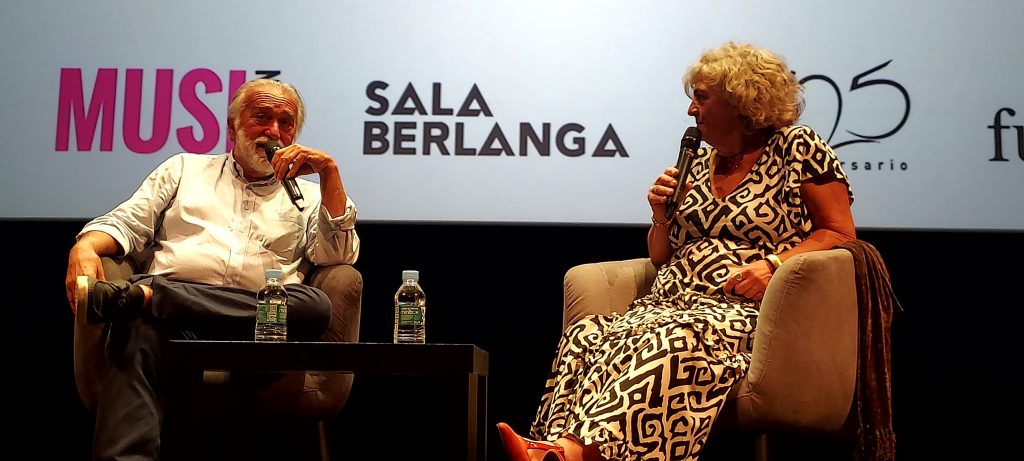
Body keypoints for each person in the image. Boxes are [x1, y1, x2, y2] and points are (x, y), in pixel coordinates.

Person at [496, 42, 857, 461]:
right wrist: (660, 216)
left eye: (701, 98)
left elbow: (839, 232)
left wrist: (775, 265)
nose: (691, 110)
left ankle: (569, 454)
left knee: (675, 336)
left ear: (741, 100)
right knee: (587, 333)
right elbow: (661, 257)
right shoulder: (697, 162)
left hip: (742, 309)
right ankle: (558, 447)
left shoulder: (795, 146)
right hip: (669, 301)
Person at [64, 78, 360, 461]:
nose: (273, 131)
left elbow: (340, 256)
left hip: (260, 332)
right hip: (172, 328)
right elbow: (126, 223)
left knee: (314, 305)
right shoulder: (184, 170)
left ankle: (153, 295)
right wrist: (85, 245)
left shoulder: (311, 196)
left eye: (285, 123)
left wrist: (330, 172)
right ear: (232, 128)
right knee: (138, 327)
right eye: (261, 117)